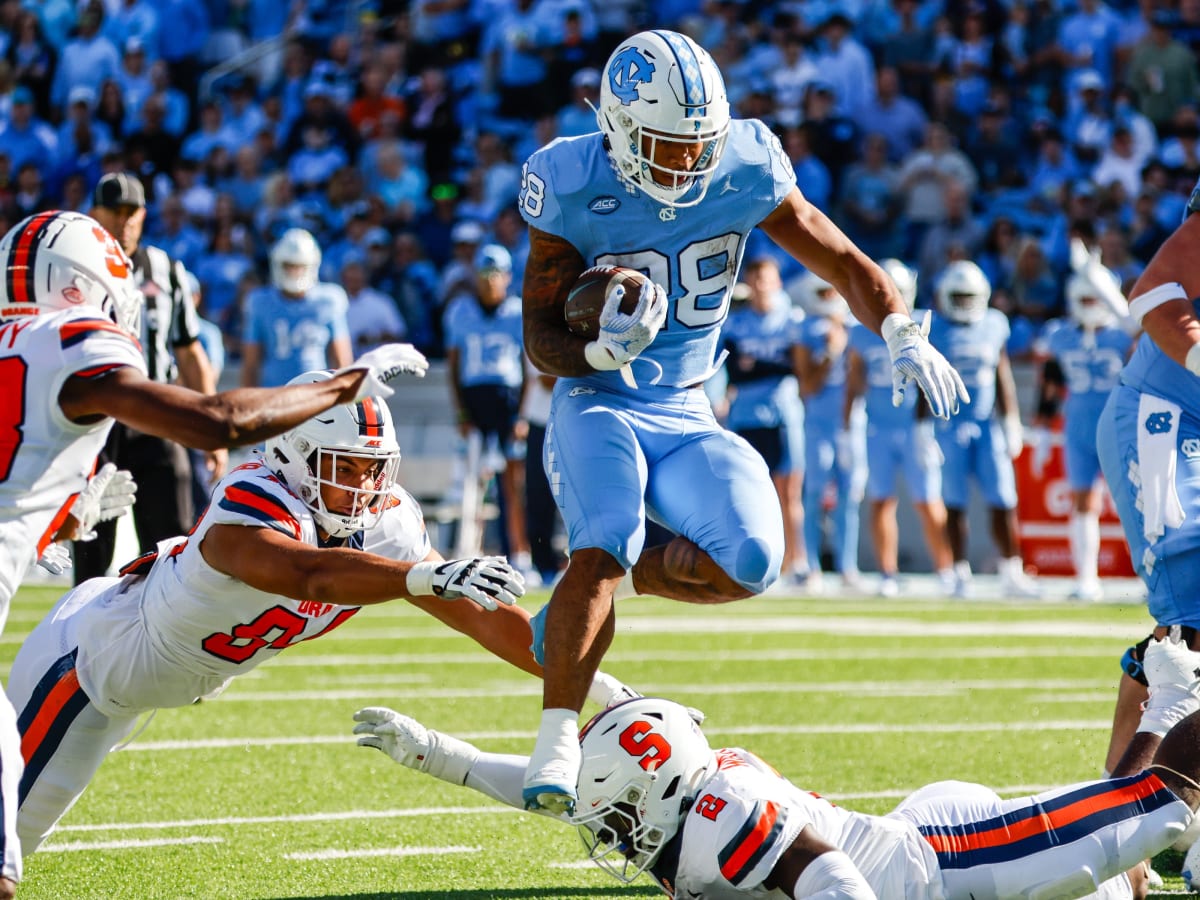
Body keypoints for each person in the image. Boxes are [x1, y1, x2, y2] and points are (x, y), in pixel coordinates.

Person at [516, 29, 967, 815]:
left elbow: (841, 260)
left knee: (754, 559)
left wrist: (900, 329)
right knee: (608, 536)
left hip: (690, 406)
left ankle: (596, 594)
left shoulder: (747, 162)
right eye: (666, 145)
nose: (687, 164)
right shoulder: (568, 177)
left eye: (699, 146)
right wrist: (597, 352)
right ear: (618, 128)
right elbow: (540, 339)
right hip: (600, 401)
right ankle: (557, 733)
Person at [0, 210, 430, 894]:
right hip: (106, 651)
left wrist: (60, 518)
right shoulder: (64, 335)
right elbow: (217, 423)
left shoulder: (15, 344)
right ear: (81, 285)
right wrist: (347, 381)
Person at [7, 372, 530, 856]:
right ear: (293, 456)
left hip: (149, 676)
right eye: (343, 466)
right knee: (12, 841)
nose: (364, 488)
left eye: (373, 470)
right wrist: (419, 577)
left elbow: (482, 617)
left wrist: (585, 684)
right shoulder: (253, 496)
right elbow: (309, 574)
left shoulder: (387, 524)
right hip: (88, 664)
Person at [353, 670, 1200, 899]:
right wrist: (441, 756)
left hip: (952, 867)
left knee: (1157, 808)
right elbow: (556, 789)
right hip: (916, 840)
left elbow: (828, 878)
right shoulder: (673, 790)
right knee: (1122, 856)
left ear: (649, 791)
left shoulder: (718, 813)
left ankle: (1176, 701)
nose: (603, 831)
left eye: (614, 819)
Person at [1098, 173, 1200, 785]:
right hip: (1162, 421)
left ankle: (1115, 799)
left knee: (1178, 633)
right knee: (1191, 627)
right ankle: (1130, 816)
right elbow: (1155, 296)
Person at [73, 171, 219, 585]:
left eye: (130, 212)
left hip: (158, 416)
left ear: (143, 215)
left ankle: (163, 642)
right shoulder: (75, 271)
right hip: (98, 423)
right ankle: (83, 645)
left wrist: (211, 431)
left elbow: (190, 349)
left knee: (172, 546)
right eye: (113, 211)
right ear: (93, 214)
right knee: (91, 549)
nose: (123, 221)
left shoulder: (165, 269)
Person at [926, 260, 1041, 599]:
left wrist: (1010, 421)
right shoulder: (935, 328)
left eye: (968, 296)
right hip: (949, 425)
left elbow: (1001, 373)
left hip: (987, 423)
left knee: (1003, 499)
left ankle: (1011, 569)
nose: (963, 303)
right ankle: (958, 571)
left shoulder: (994, 323)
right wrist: (923, 428)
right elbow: (925, 381)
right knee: (954, 502)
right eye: (957, 296)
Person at [845, 259, 954, 597]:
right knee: (881, 500)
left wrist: (925, 426)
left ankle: (947, 570)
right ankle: (888, 573)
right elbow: (854, 381)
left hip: (913, 427)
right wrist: (846, 426)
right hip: (877, 427)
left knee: (928, 500)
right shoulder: (859, 331)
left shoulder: (921, 323)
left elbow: (928, 378)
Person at [1030, 247, 1133, 602]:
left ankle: (1148, 580)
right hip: (1078, 426)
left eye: (1095, 297)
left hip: (1119, 426)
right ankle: (1087, 578)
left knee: (1133, 505)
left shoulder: (1124, 334)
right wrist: (1042, 427)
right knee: (1082, 502)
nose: (1090, 305)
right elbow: (1051, 381)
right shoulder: (1060, 334)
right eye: (1084, 298)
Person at [443, 243, 531, 571]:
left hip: (507, 400)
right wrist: (461, 411)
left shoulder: (516, 311)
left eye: (495, 274)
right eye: (484, 274)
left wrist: (521, 414)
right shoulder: (461, 311)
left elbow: (527, 370)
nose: (489, 281)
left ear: (507, 277)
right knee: (471, 485)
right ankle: (468, 552)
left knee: (513, 483)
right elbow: (454, 364)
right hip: (475, 399)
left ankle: (520, 555)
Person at [720, 257, 807, 584]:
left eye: (766, 279)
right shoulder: (737, 324)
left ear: (777, 283)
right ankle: (757, 561)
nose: (761, 286)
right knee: (750, 492)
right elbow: (737, 373)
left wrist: (757, 364)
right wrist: (770, 365)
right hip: (746, 416)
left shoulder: (791, 320)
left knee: (789, 491)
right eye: (755, 279)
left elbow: (795, 368)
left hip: (783, 415)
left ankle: (796, 561)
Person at [790, 271, 865, 590]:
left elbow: (861, 381)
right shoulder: (806, 329)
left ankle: (848, 566)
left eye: (832, 291)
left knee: (851, 495)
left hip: (851, 424)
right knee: (815, 492)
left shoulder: (857, 328)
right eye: (822, 293)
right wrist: (831, 353)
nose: (829, 298)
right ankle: (812, 565)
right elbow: (806, 386)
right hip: (818, 423)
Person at [240, 227, 353, 388]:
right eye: (289, 266)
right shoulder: (260, 302)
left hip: (316, 398)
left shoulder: (329, 300)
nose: (294, 272)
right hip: (274, 396)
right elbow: (251, 363)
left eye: (299, 266)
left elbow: (342, 361)